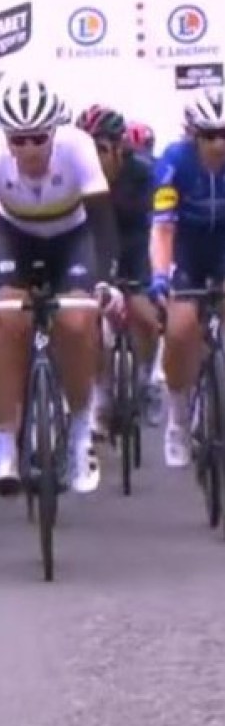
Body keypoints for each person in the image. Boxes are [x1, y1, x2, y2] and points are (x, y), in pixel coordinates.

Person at [0, 79, 120, 496]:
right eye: (18, 139)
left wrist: (104, 279)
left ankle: (82, 433)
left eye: (37, 138)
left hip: (73, 237)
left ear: (54, 133)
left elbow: (102, 220)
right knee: (2, 322)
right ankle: (3, 443)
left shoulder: (78, 146)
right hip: (14, 237)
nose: (28, 148)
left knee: (78, 320)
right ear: (5, 137)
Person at [149, 86, 225, 468]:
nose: (218, 144)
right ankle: (177, 417)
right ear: (193, 135)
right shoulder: (174, 161)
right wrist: (161, 274)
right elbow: (163, 228)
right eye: (210, 136)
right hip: (188, 248)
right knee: (180, 331)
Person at [75, 104, 160, 433]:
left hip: (136, 244)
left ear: (120, 147)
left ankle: (146, 378)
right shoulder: (78, 174)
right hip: (95, 244)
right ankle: (101, 395)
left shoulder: (143, 172)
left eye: (100, 148)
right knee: (91, 320)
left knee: (145, 314)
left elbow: (161, 221)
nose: (93, 156)